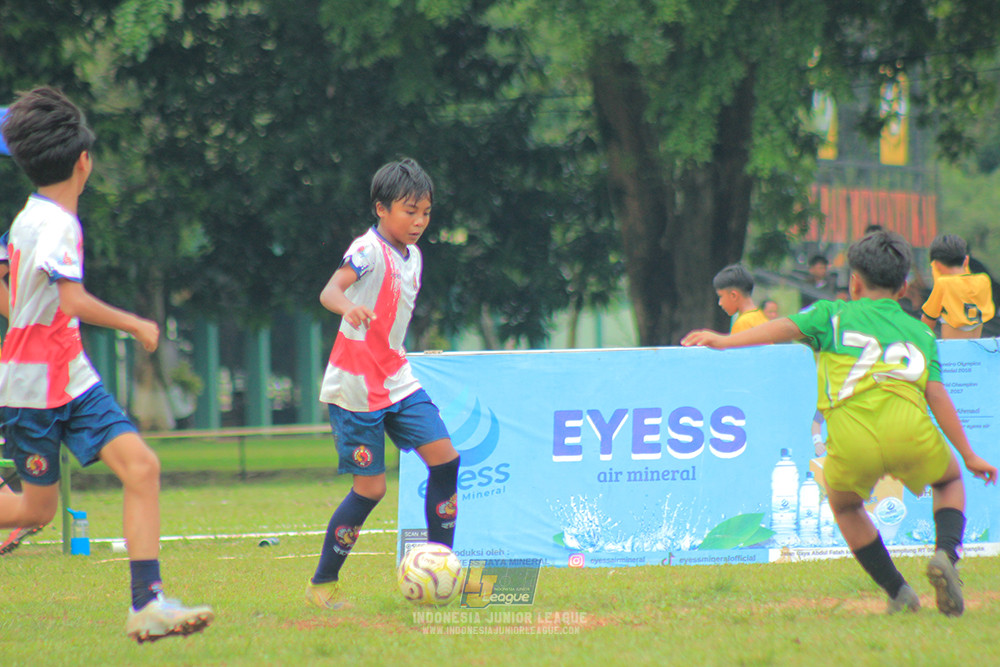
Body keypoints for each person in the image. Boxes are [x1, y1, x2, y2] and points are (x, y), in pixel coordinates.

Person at [682, 230, 997, 616]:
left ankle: (898, 591)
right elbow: (937, 396)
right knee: (947, 481)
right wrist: (968, 455)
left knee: (845, 506)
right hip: (911, 432)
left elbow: (782, 328)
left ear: (854, 281)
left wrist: (722, 340)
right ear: (903, 287)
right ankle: (946, 554)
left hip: (852, 439)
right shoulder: (920, 332)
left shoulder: (831, 315)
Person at [0, 87, 213, 641]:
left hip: (68, 377)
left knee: (141, 468)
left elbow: (24, 294)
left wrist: (24, 312)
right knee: (34, 512)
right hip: (33, 389)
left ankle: (148, 604)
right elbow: (71, 301)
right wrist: (136, 323)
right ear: (84, 162)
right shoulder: (58, 226)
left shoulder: (28, 218)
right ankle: (147, 602)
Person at [307, 158, 460, 608]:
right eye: (408, 211)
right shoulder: (367, 249)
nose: (418, 222)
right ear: (381, 209)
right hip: (355, 388)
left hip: (396, 378)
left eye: (426, 212)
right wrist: (347, 308)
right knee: (371, 490)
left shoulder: (414, 256)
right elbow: (330, 290)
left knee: (447, 461)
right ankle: (323, 585)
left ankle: (441, 569)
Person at [920, 234, 995, 339]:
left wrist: (937, 278)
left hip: (952, 350)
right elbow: (964, 282)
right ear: (966, 260)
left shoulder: (944, 284)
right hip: (978, 348)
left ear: (937, 264)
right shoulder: (983, 280)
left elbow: (927, 321)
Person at [713, 264, 768, 333]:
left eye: (721, 296)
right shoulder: (761, 317)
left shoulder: (743, 324)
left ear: (733, 296)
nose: (720, 303)